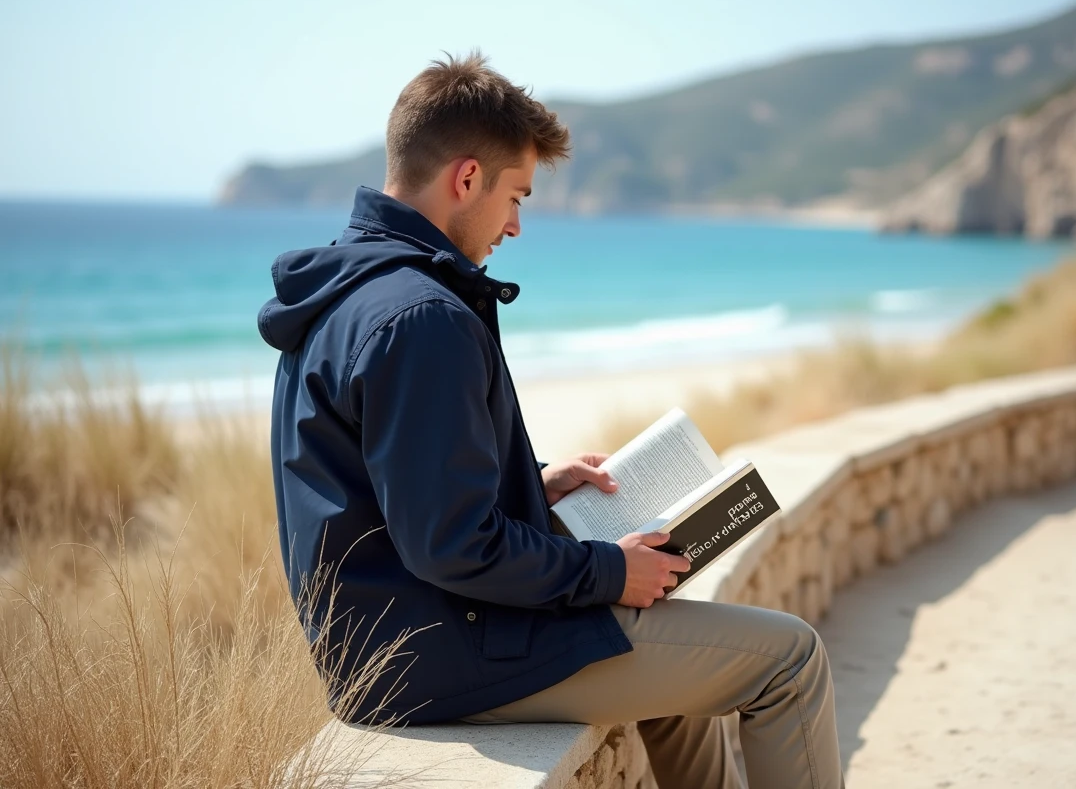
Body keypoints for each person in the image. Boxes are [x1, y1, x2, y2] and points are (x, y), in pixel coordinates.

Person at [259, 51, 843, 789]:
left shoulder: (354, 289)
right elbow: (453, 547)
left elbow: (397, 483)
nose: (515, 226)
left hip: (398, 645)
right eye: (517, 198)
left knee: (680, 679)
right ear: (466, 178)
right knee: (792, 661)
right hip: (441, 657)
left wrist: (534, 482)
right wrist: (608, 571)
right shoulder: (421, 316)